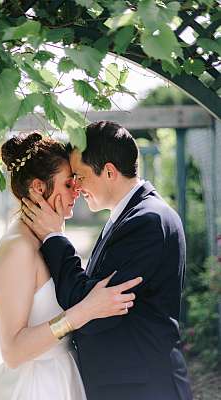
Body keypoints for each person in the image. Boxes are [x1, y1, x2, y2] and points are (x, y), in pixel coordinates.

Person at [22, 121, 193, 400]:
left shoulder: (146, 221)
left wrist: (54, 237)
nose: (76, 187)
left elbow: (90, 310)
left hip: (144, 389)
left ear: (109, 172)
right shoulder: (130, 216)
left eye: (79, 176)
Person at [0, 132, 142, 400]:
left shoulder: (46, 238)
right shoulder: (17, 249)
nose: (77, 191)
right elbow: (13, 353)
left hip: (66, 375)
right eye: (68, 184)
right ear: (39, 187)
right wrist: (83, 312)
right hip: (35, 386)